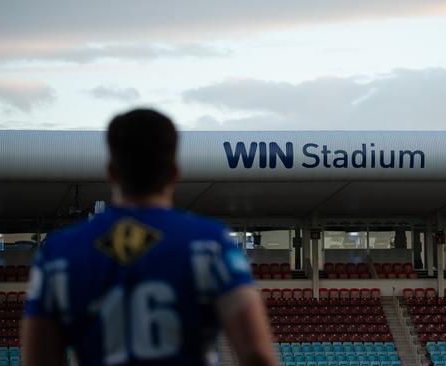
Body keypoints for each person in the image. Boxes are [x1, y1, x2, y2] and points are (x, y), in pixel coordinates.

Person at [21, 109, 278, 366]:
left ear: (111, 171)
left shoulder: (58, 253)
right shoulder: (211, 244)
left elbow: (38, 359)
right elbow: (256, 352)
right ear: (175, 172)